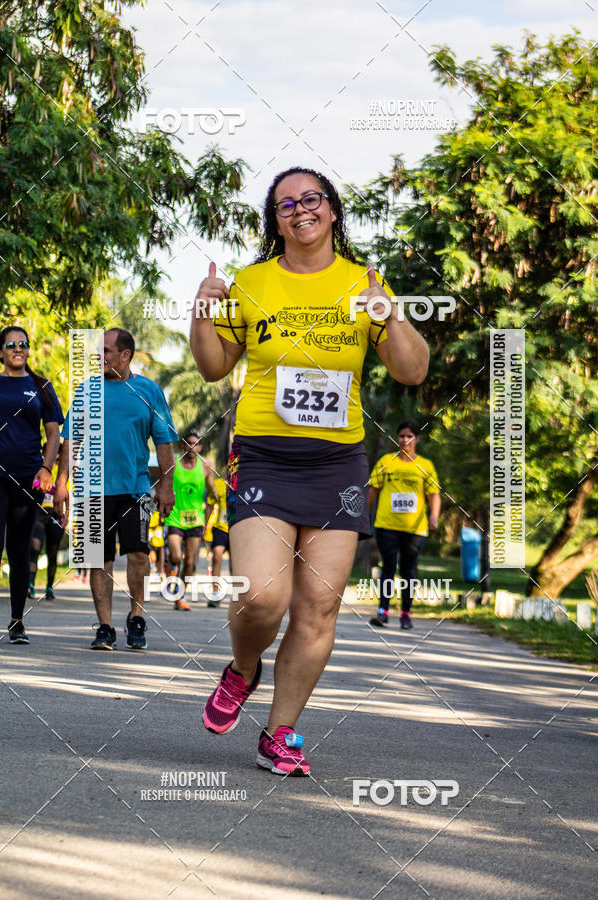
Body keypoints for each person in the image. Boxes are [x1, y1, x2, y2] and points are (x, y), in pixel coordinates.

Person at [190, 166, 429, 775]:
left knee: (319, 606)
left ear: (332, 209)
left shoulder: (362, 284)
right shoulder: (252, 283)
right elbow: (215, 366)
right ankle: (244, 668)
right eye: (286, 204)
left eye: (312, 199)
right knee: (264, 598)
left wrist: (391, 314)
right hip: (266, 454)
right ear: (276, 221)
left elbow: (412, 371)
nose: (301, 210)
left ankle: (280, 732)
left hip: (336, 463)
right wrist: (201, 310)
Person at [54, 328, 177, 650]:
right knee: (97, 559)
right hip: (93, 489)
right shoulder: (86, 391)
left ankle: (136, 616)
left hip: (134, 487)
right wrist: (62, 484)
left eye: (107, 351)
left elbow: (164, 444)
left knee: (138, 553)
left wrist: (167, 487)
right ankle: (105, 626)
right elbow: (71, 441)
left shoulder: (148, 391)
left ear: (126, 355)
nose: (100, 357)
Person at [0, 325, 64, 643]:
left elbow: (53, 435)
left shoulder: (42, 387)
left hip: (28, 479)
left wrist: (46, 468)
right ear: (0, 352)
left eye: (23, 343)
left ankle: (16, 622)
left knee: (20, 550)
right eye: (11, 344)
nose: (17, 348)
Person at [368, 420, 441, 629]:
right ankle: (382, 612)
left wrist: (434, 516)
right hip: (386, 524)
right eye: (401, 436)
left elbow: (434, 494)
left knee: (409, 570)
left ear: (416, 439)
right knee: (388, 567)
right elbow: (372, 489)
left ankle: (406, 614)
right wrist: (363, 514)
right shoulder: (386, 461)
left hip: (415, 528)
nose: (405, 440)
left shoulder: (425, 466)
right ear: (396, 438)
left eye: (409, 436)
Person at [164, 433, 214, 610]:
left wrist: (214, 497)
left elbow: (211, 491)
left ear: (200, 447)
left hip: (196, 520)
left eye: (196, 444)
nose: (192, 447)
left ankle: (180, 595)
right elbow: (164, 483)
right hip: (175, 518)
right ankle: (169, 566)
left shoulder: (205, 466)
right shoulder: (174, 463)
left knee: (190, 562)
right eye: (189, 444)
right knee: (176, 556)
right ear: (184, 446)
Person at [28, 446, 65, 601]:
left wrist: (67, 515)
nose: (55, 455)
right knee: (34, 548)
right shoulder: (39, 467)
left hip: (56, 514)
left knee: (53, 552)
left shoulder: (64, 473)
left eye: (58, 452)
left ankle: (49, 587)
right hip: (39, 512)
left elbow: (70, 494)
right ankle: (30, 585)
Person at [206, 473, 231, 608]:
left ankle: (240, 596)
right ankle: (215, 593)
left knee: (237, 564)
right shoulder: (219, 484)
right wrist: (204, 526)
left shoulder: (245, 484)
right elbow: (210, 505)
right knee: (217, 557)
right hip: (220, 528)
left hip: (237, 528)